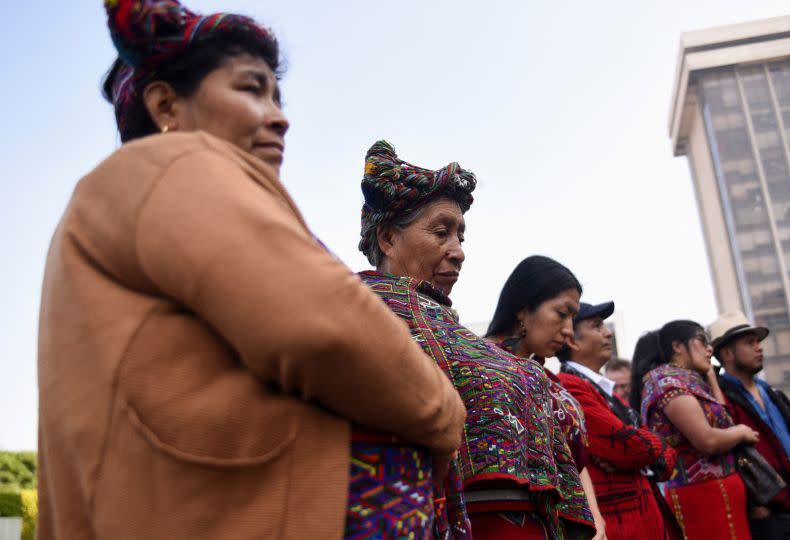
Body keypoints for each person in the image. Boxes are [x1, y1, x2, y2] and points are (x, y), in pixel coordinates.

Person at [36, 3, 465, 538]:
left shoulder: (130, 201)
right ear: (166, 103)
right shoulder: (173, 166)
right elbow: (323, 328)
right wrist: (446, 416)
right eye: (250, 89)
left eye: (277, 96)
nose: (280, 115)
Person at [357, 142, 596, 539]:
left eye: (461, 236)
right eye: (441, 232)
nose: (458, 252)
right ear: (387, 238)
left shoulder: (447, 329)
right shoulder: (362, 316)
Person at [486, 255, 607, 539]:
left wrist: (595, 520)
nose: (568, 330)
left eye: (573, 318)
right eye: (562, 313)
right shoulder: (478, 366)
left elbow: (574, 460)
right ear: (524, 310)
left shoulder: (547, 379)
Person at [555, 301, 682, 540]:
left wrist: (648, 446)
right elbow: (629, 447)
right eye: (597, 326)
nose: (608, 332)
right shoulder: (569, 385)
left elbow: (657, 455)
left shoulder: (603, 389)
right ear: (572, 340)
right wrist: (653, 445)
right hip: (622, 526)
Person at [634, 320, 760, 540]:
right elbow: (707, 441)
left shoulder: (691, 381)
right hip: (701, 497)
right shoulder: (668, 383)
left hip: (719, 495)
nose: (710, 348)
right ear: (678, 347)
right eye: (702, 340)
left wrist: (711, 375)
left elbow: (725, 421)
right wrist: (741, 432)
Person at [710, 311, 790, 540]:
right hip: (766, 515)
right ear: (727, 352)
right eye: (749, 342)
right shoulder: (721, 399)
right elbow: (727, 456)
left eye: (758, 341)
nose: (759, 347)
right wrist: (754, 503)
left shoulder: (772, 393)